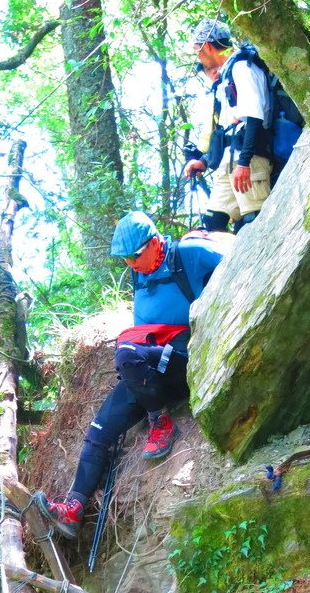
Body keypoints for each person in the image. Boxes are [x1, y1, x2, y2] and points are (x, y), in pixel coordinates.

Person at [36, 211, 223, 538]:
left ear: (154, 242)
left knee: (126, 352)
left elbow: (240, 263)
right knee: (99, 427)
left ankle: (161, 423)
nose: (130, 264)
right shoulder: (141, 271)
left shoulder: (188, 255)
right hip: (149, 364)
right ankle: (73, 508)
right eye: (124, 259)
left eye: (134, 256)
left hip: (183, 358)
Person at [185, 19, 272, 233]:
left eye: (197, 51)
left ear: (207, 46)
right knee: (213, 224)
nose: (198, 58)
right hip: (230, 163)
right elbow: (226, 132)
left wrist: (243, 162)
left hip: (249, 162)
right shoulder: (226, 75)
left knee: (255, 224)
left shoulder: (242, 67)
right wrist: (203, 162)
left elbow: (254, 117)